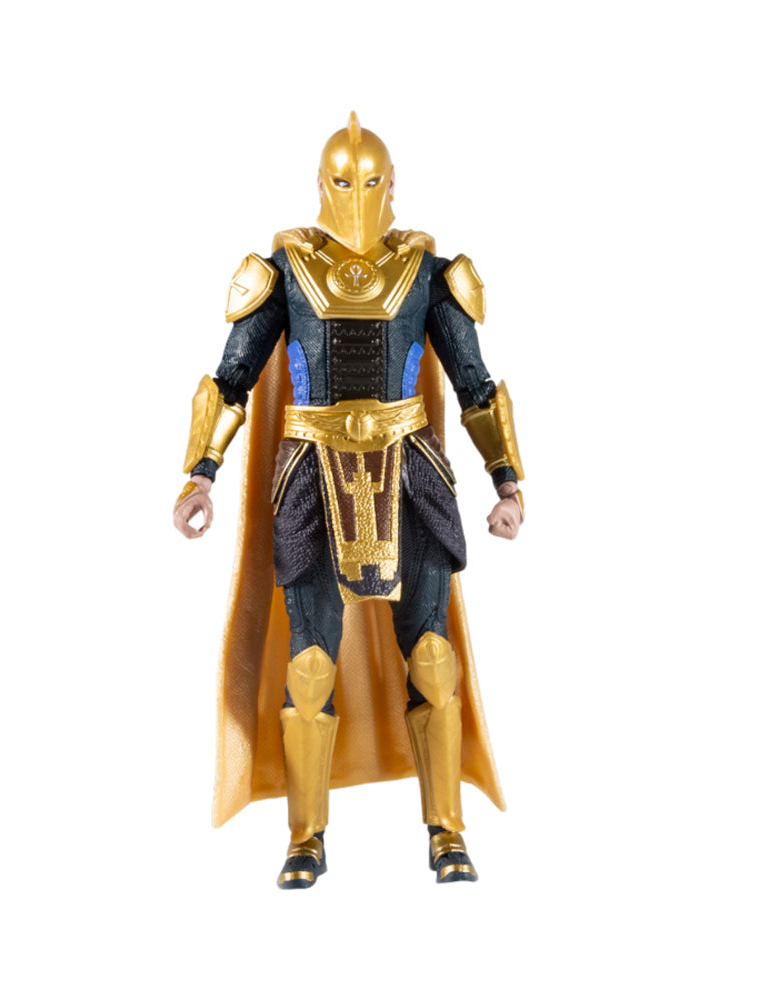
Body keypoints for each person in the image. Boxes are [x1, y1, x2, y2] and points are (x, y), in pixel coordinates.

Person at [173, 113, 525, 888]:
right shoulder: (287, 269)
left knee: (433, 658)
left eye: (369, 181)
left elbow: (474, 382)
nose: (357, 195)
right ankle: (306, 837)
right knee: (308, 666)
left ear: (391, 185)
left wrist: (507, 480)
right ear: (321, 185)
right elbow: (231, 379)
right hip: (310, 475)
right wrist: (201, 473)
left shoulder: (427, 271)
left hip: (411, 473)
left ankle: (446, 830)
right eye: (343, 181)